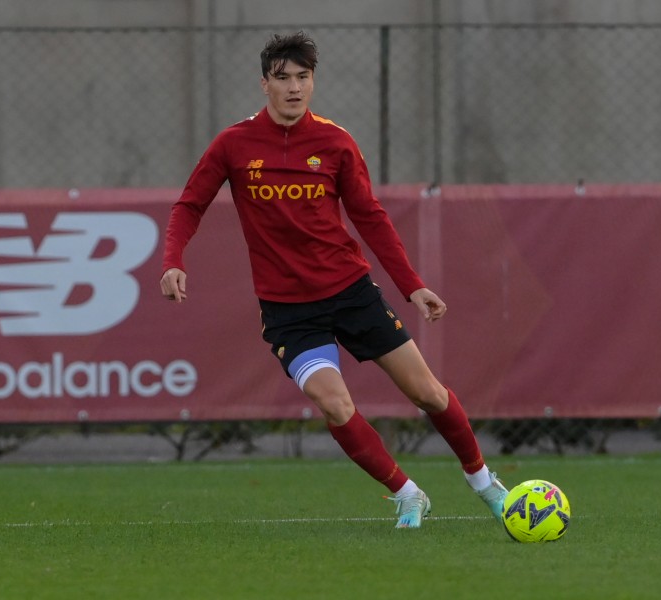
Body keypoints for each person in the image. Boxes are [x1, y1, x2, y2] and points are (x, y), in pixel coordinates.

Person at [160, 31, 507, 528]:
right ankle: (407, 494)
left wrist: (412, 285)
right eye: (283, 78)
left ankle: (483, 481)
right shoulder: (234, 145)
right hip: (288, 310)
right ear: (265, 84)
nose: (294, 88)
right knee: (335, 403)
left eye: (303, 77)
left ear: (313, 81)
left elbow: (370, 217)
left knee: (427, 393)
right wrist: (173, 259)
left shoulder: (335, 142)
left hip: (351, 293)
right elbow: (189, 204)